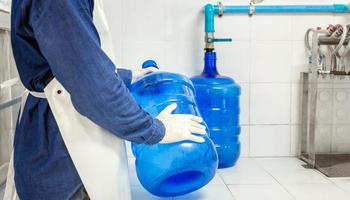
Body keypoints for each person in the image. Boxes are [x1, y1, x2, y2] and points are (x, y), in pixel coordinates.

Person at [6, 0, 207, 199]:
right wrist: (157, 130)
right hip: (65, 154)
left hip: (56, 138)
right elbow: (92, 86)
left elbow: (71, 64)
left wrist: (130, 76)